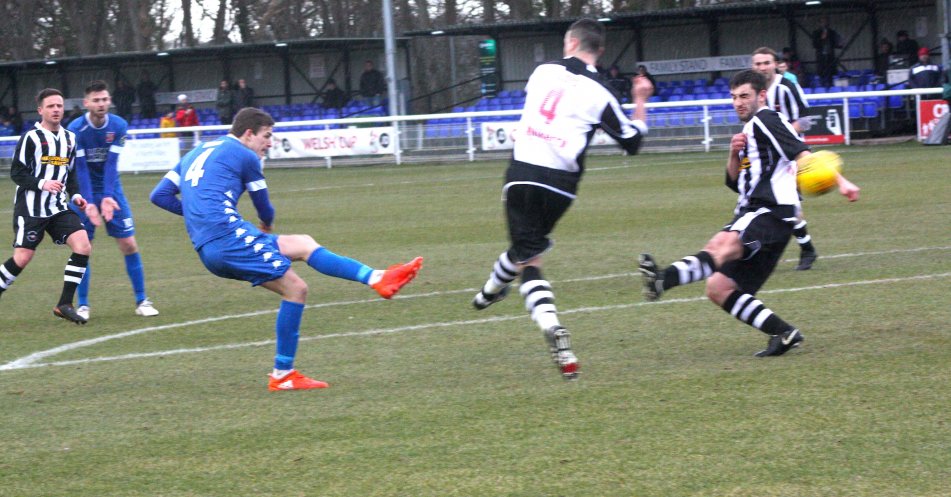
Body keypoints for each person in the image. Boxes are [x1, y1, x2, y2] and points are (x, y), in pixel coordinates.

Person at [149, 107, 423, 391]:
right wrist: (262, 223)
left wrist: (198, 215)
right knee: (296, 289)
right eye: (266, 136)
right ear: (248, 134)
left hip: (215, 241)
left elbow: (159, 195)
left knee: (303, 243)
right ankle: (283, 374)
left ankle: (377, 278)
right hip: (227, 238)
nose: (269, 143)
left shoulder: (196, 151)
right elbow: (264, 207)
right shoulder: (245, 155)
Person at [471, 18, 653, 380]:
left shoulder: (541, 71)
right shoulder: (601, 93)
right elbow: (633, 142)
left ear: (569, 41)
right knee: (527, 244)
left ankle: (551, 325)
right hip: (561, 185)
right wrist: (639, 100)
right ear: (599, 52)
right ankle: (487, 294)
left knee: (529, 256)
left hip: (523, 171)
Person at [638, 69, 860, 357]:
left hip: (769, 211)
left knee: (721, 245)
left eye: (744, 96)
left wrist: (841, 182)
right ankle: (783, 333)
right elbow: (734, 182)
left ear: (762, 95)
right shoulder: (749, 130)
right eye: (733, 97)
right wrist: (733, 153)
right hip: (760, 213)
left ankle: (662, 279)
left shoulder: (767, 119)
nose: (738, 102)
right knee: (719, 288)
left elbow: (802, 154)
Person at [67, 80, 160, 320]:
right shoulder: (75, 129)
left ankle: (142, 300)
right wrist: (88, 203)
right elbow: (81, 169)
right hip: (83, 192)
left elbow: (111, 164)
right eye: (96, 100)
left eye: (104, 99)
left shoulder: (118, 125)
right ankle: (83, 305)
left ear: (110, 101)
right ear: (87, 103)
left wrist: (107, 197)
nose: (101, 104)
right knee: (83, 247)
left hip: (111, 189)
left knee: (128, 244)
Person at [0, 88, 91, 324]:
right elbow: (17, 173)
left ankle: (64, 304)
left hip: (58, 207)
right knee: (22, 257)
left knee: (83, 245)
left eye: (59, 105)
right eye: (51, 106)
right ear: (41, 110)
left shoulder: (70, 138)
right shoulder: (31, 138)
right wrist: (42, 183)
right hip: (31, 208)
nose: (56, 109)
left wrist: (77, 194)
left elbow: (70, 174)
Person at [752, 47, 818, 270]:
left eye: (766, 63)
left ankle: (806, 249)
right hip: (762, 157)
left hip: (790, 156)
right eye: (758, 64)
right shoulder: (752, 89)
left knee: (790, 205)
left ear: (775, 64)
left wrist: (782, 134)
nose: (762, 67)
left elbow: (807, 118)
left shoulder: (786, 86)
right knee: (758, 200)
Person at [811, 16, 841, 87]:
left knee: (830, 75)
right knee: (822, 75)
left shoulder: (832, 32)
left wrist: (840, 43)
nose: (824, 23)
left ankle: (830, 87)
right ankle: (822, 87)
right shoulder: (816, 33)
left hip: (830, 57)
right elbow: (814, 45)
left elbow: (836, 44)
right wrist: (821, 38)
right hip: (821, 57)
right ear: (819, 23)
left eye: (826, 22)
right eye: (822, 22)